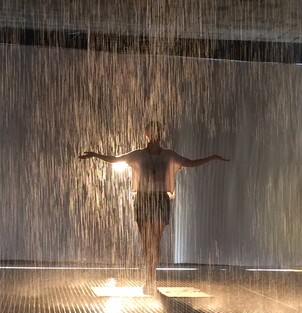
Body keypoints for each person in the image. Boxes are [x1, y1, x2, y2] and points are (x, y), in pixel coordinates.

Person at [79, 121, 229, 294]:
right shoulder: (138, 155)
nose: (154, 134)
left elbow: (190, 163)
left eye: (156, 131)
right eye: (151, 131)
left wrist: (212, 158)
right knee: (145, 242)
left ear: (160, 134)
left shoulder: (168, 155)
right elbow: (116, 159)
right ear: (146, 134)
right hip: (143, 198)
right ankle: (148, 278)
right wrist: (96, 155)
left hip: (160, 198)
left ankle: (151, 278)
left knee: (155, 241)